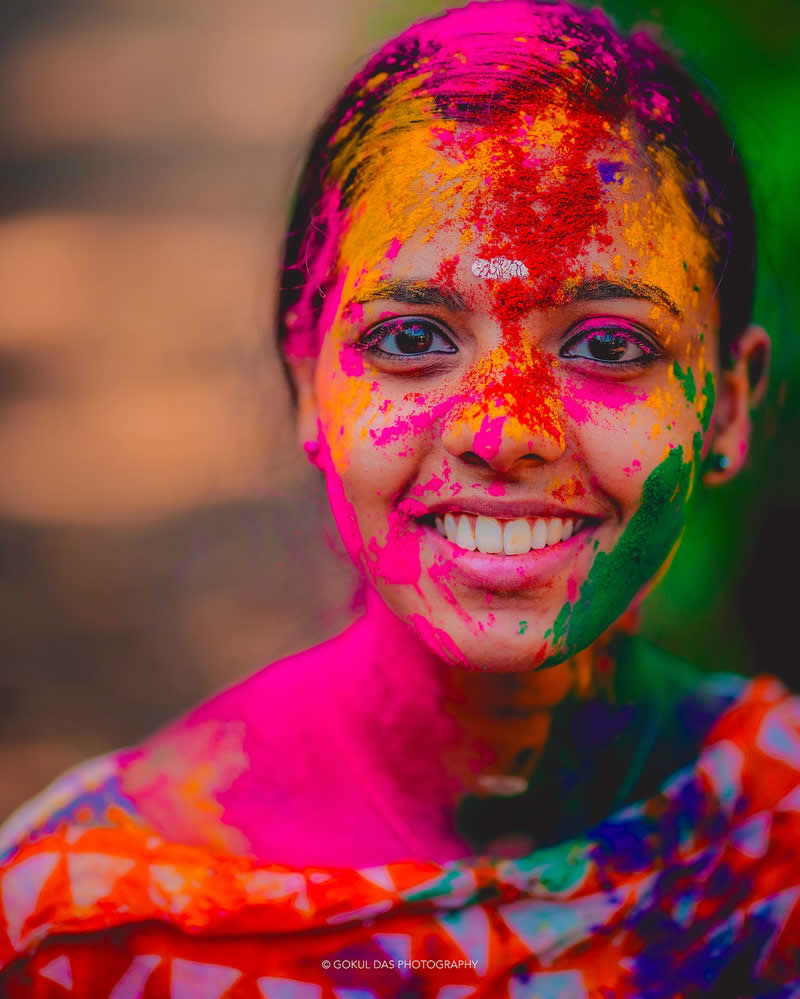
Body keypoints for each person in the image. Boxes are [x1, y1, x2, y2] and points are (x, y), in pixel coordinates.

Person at [0, 1, 797, 995]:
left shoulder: (779, 836)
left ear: (725, 406)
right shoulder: (91, 926)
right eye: (412, 340)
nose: (506, 432)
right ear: (306, 382)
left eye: (606, 345)